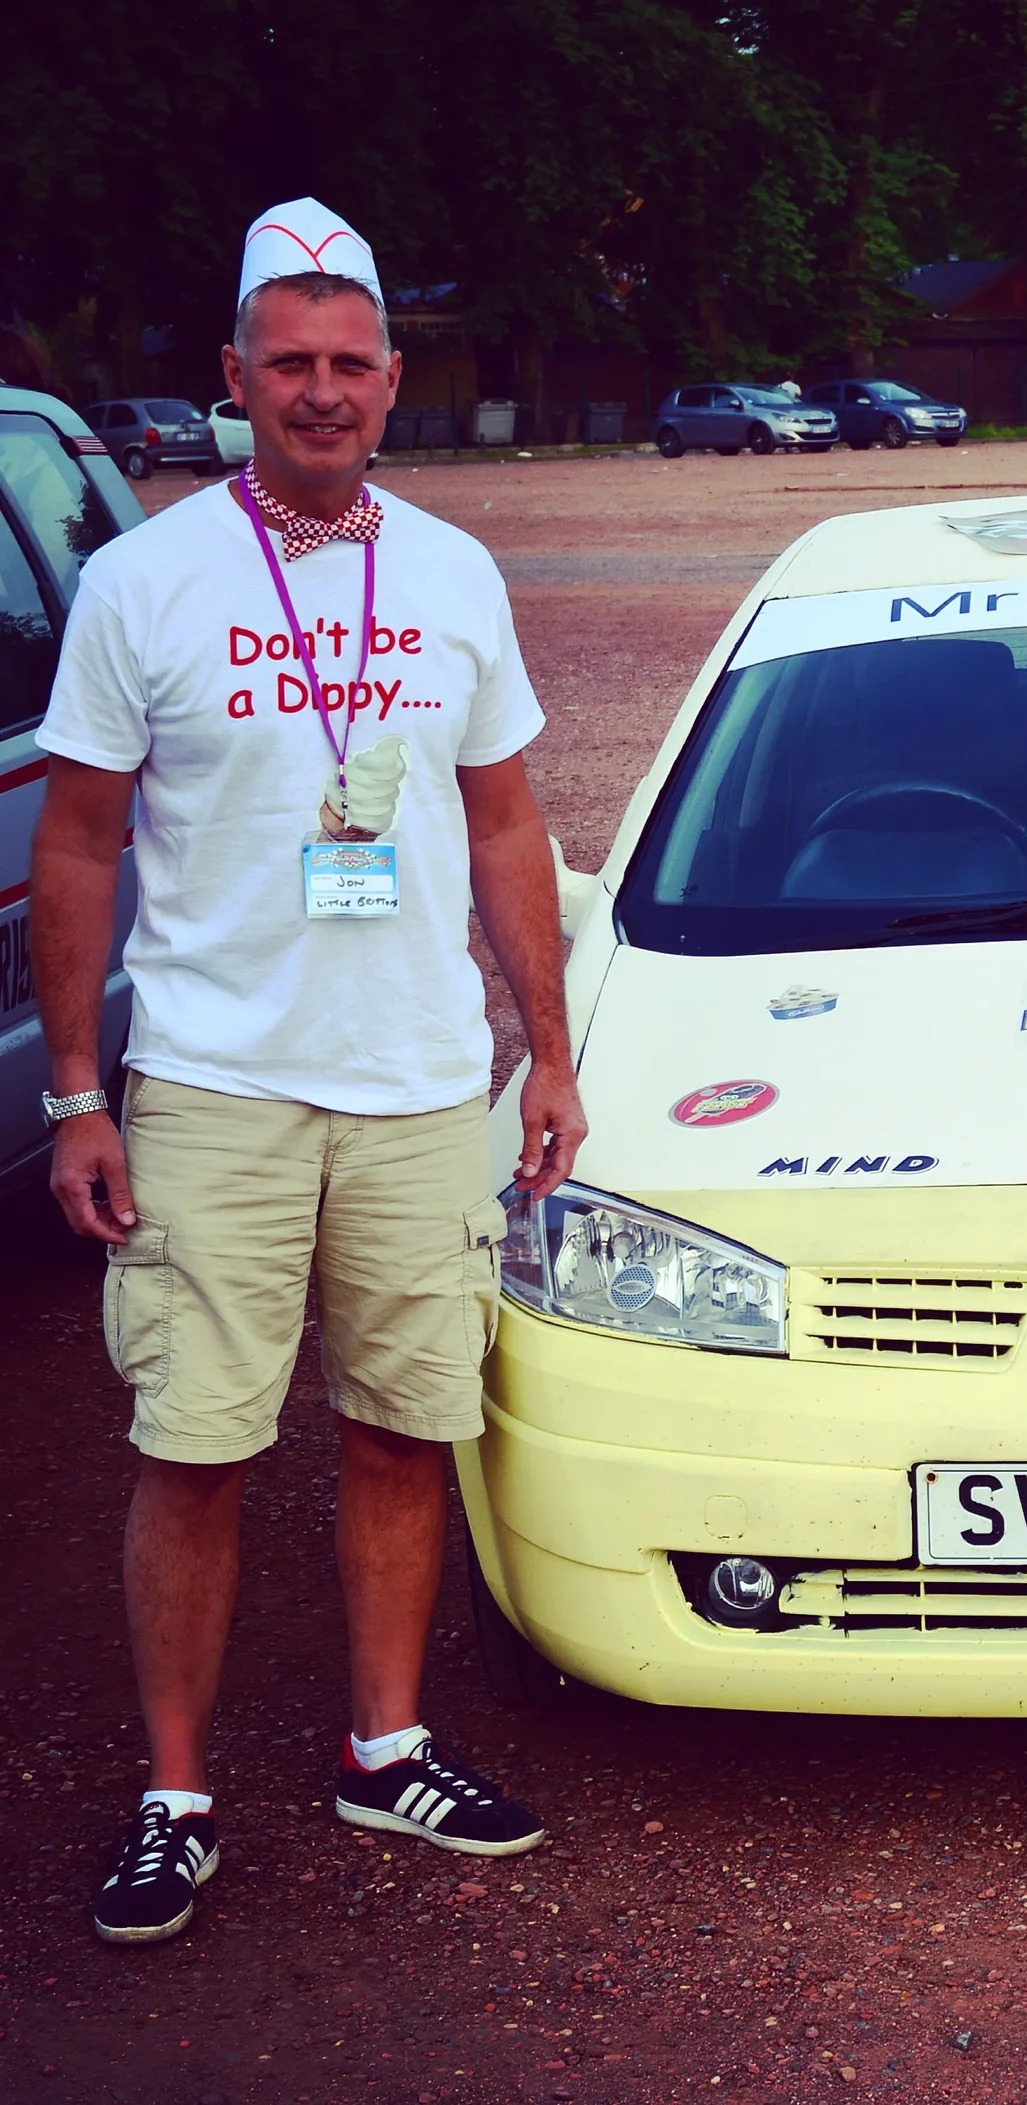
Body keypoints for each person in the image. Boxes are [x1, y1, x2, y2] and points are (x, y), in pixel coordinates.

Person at [31, 199, 587, 1946]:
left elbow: (504, 823)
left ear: (393, 377)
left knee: (405, 1425)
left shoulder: (454, 574)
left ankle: (384, 1746)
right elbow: (77, 847)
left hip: (418, 1080)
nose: (324, 391)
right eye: (291, 363)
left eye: (352, 362)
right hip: (217, 1084)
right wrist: (76, 1092)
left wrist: (548, 1046)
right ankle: (174, 1797)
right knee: (195, 1443)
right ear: (235, 376)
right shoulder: (145, 582)